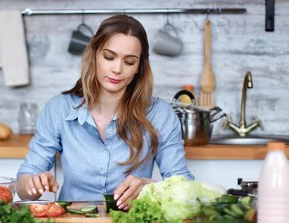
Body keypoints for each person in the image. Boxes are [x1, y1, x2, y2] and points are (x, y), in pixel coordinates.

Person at [16, 14, 194, 210]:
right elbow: (24, 184)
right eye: (109, 57)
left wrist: (150, 187)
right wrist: (34, 184)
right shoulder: (59, 109)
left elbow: (184, 186)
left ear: (138, 68)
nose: (117, 69)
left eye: (129, 62)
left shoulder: (160, 114)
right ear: (94, 55)